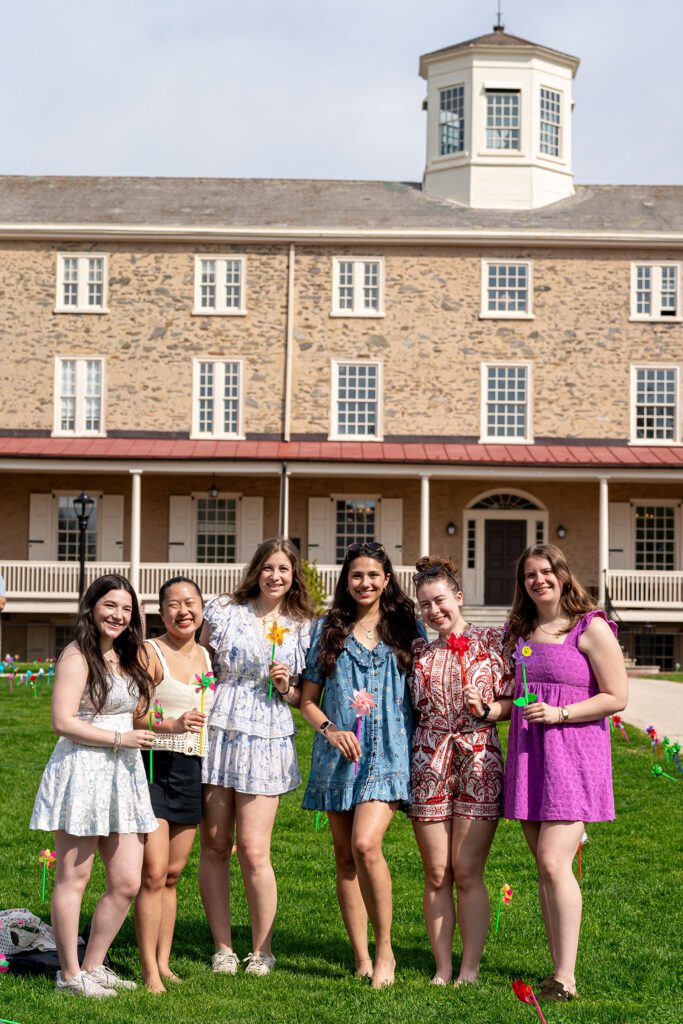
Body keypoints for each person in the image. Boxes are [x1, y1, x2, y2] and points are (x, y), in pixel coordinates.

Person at [504, 543, 628, 1002]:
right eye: (530, 575)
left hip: (573, 756)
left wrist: (559, 714)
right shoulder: (521, 630)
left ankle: (566, 978)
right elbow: (520, 696)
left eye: (546, 571)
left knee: (556, 862)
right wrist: (495, 707)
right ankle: (556, 969)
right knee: (545, 868)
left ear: (562, 573)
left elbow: (616, 696)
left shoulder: (590, 627)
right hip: (530, 757)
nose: (539, 580)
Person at [300, 541, 424, 988]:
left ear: (387, 579)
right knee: (344, 857)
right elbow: (308, 701)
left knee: (367, 845)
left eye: (373, 575)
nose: (365, 583)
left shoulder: (409, 629)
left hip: (389, 754)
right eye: (356, 575)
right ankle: (360, 955)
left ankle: (385, 950)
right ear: (345, 581)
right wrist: (331, 729)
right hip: (339, 757)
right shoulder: (326, 630)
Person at [30, 573, 157, 998]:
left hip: (123, 775)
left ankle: (93, 966)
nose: (118, 615)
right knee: (74, 878)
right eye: (110, 605)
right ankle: (68, 975)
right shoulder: (77, 655)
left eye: (126, 608)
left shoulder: (126, 656)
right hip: (83, 770)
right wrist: (121, 739)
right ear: (92, 607)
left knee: (126, 881)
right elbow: (62, 721)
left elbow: (132, 716)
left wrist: (166, 725)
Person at [198, 537, 313, 976]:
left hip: (266, 733)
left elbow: (305, 695)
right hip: (220, 726)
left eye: (283, 569)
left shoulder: (302, 625)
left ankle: (262, 950)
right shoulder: (224, 610)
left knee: (253, 848)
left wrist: (285, 686)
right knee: (214, 843)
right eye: (268, 567)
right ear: (256, 570)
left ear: (293, 575)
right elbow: (197, 660)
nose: (275, 576)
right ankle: (223, 947)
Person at [409, 557, 514, 986]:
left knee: (467, 871)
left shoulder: (493, 642)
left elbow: (513, 702)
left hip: (478, 759)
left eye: (439, 600)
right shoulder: (418, 650)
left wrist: (486, 708)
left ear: (458, 597)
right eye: (425, 605)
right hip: (428, 761)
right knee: (437, 873)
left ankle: (469, 968)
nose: (434, 611)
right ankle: (443, 966)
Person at [133, 576, 213, 993]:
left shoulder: (207, 655)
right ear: (161, 612)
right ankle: (148, 970)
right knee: (153, 872)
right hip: (154, 766)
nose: (183, 611)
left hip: (192, 768)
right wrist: (172, 724)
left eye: (190, 602)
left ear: (202, 608)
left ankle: (163, 962)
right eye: (173, 604)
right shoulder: (150, 652)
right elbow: (132, 714)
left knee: (173, 874)